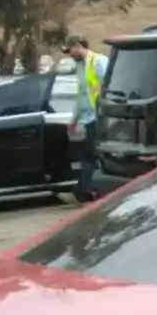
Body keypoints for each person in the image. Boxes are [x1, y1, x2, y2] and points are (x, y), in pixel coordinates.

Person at [65, 34, 109, 201]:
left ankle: (85, 190)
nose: (70, 55)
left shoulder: (98, 62)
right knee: (90, 155)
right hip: (89, 118)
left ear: (78, 46)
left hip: (100, 116)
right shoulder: (80, 67)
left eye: (71, 50)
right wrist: (74, 119)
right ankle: (85, 189)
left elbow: (108, 87)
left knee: (90, 155)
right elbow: (81, 95)